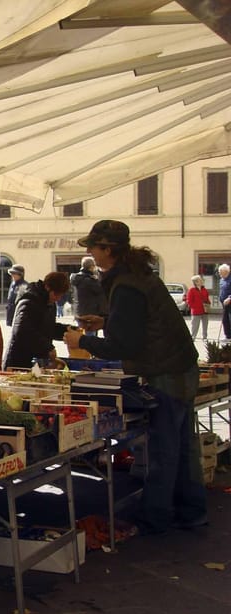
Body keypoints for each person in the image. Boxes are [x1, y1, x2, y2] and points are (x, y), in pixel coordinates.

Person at [64, 220, 206, 534]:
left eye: (93, 247)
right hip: (180, 366)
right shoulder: (137, 275)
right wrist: (105, 320)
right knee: (183, 448)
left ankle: (157, 517)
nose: (89, 252)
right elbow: (140, 323)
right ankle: (192, 511)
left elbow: (124, 344)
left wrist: (82, 341)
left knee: (164, 450)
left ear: (108, 250)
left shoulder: (126, 284)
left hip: (166, 372)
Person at [2, 271, 72, 369]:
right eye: (56, 294)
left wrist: (68, 330)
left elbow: (48, 327)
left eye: (60, 295)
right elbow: (22, 331)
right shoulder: (29, 301)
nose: (57, 298)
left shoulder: (49, 303)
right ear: (47, 287)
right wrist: (47, 348)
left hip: (36, 361)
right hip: (19, 362)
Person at [69, 257, 107, 334]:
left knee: (85, 335)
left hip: (80, 311)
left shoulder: (78, 279)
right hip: (90, 312)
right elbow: (102, 290)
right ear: (91, 267)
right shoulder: (89, 280)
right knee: (90, 337)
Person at [186, 275, 210, 341]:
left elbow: (207, 298)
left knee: (205, 325)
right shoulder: (192, 290)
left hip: (204, 310)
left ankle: (204, 337)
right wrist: (194, 307)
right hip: (196, 311)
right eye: (200, 280)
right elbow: (189, 301)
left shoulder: (204, 289)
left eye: (201, 280)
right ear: (196, 282)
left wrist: (208, 304)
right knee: (195, 325)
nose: (201, 281)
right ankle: (193, 337)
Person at [219, 263, 231, 340]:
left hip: (230, 302)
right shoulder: (221, 280)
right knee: (225, 320)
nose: (219, 273)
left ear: (226, 271)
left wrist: (230, 298)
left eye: (220, 272)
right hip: (224, 304)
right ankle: (228, 336)